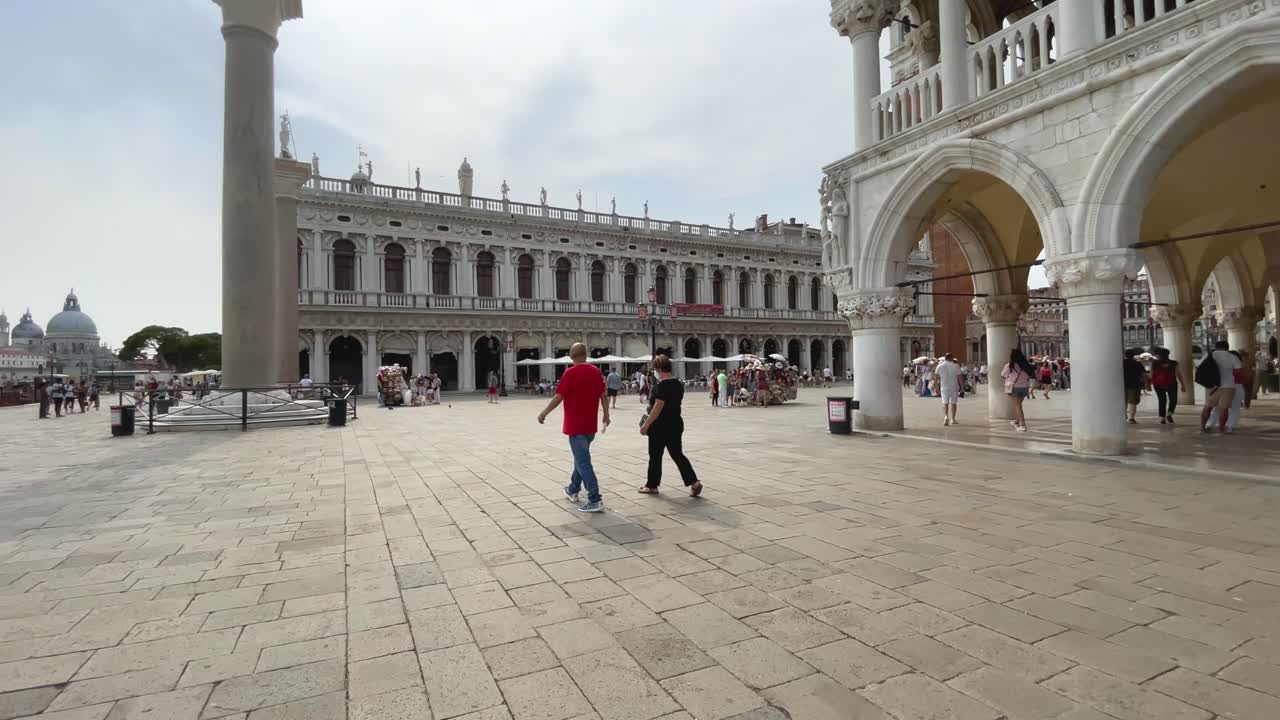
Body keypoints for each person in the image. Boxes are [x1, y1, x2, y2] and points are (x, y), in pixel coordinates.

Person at [537, 343, 610, 512]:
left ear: (572, 357)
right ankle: (573, 489)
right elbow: (603, 395)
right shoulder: (596, 371)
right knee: (581, 458)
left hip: (575, 426)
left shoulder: (570, 373)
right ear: (586, 354)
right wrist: (606, 415)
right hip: (590, 427)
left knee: (583, 461)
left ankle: (594, 498)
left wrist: (543, 413)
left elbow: (558, 397)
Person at [638, 354, 702, 497]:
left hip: (659, 427)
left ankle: (652, 485)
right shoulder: (678, 384)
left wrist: (646, 424)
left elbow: (658, 406)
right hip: (675, 424)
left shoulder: (661, 386)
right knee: (677, 454)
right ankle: (694, 481)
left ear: (659, 369)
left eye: (655, 369)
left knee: (655, 455)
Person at [1199, 341, 1242, 433]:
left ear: (1216, 347)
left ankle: (1202, 428)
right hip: (1228, 386)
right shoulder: (1232, 357)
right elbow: (1238, 371)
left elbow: (1200, 367)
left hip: (1212, 386)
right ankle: (1221, 429)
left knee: (1207, 407)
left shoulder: (1209, 355)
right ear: (1227, 347)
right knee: (1224, 408)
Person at [1001, 348, 1036, 432]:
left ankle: (1023, 425)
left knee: (1018, 406)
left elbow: (1003, 375)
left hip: (1014, 387)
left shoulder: (1010, 365)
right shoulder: (1026, 365)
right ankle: (1017, 421)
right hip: (1025, 388)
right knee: (1018, 405)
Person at [1149, 348, 1183, 424]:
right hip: (1171, 383)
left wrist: (1149, 383)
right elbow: (1178, 374)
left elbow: (1151, 375)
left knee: (1161, 400)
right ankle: (1169, 413)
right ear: (1168, 354)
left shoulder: (1154, 363)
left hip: (1158, 384)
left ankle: (1162, 418)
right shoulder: (1174, 363)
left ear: (1158, 355)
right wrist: (1183, 385)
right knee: (1173, 399)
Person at [936, 353, 962, 426]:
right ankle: (953, 419)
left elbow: (936, 378)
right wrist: (962, 388)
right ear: (951, 358)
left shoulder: (939, 366)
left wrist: (935, 387)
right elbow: (960, 377)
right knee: (953, 403)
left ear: (945, 358)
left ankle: (946, 416)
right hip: (954, 387)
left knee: (945, 402)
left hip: (944, 387)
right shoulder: (956, 366)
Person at [1122, 349, 1147, 424]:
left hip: (1123, 384)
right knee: (1132, 402)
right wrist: (1145, 384)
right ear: (1133, 355)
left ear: (1125, 355)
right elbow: (1143, 374)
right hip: (1134, 384)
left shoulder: (1121, 363)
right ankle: (1131, 418)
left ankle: (1124, 415)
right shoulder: (1137, 363)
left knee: (1124, 401)